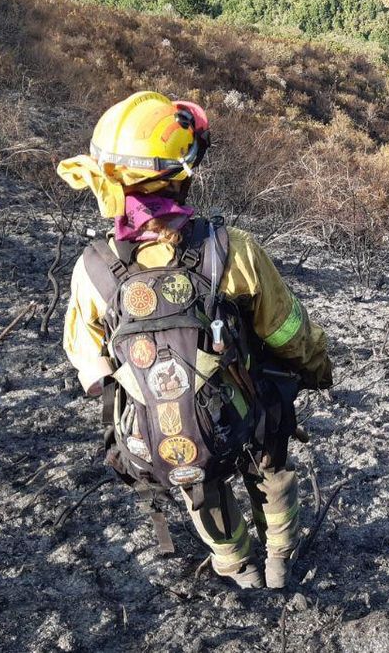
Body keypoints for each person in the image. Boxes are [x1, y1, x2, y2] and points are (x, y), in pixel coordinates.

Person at [58, 91, 333, 589]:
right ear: (182, 172)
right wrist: (318, 369)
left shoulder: (94, 268)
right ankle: (279, 560)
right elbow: (287, 331)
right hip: (244, 411)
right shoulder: (229, 250)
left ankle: (239, 568)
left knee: (200, 489)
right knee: (269, 468)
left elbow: (88, 362)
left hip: (167, 433)